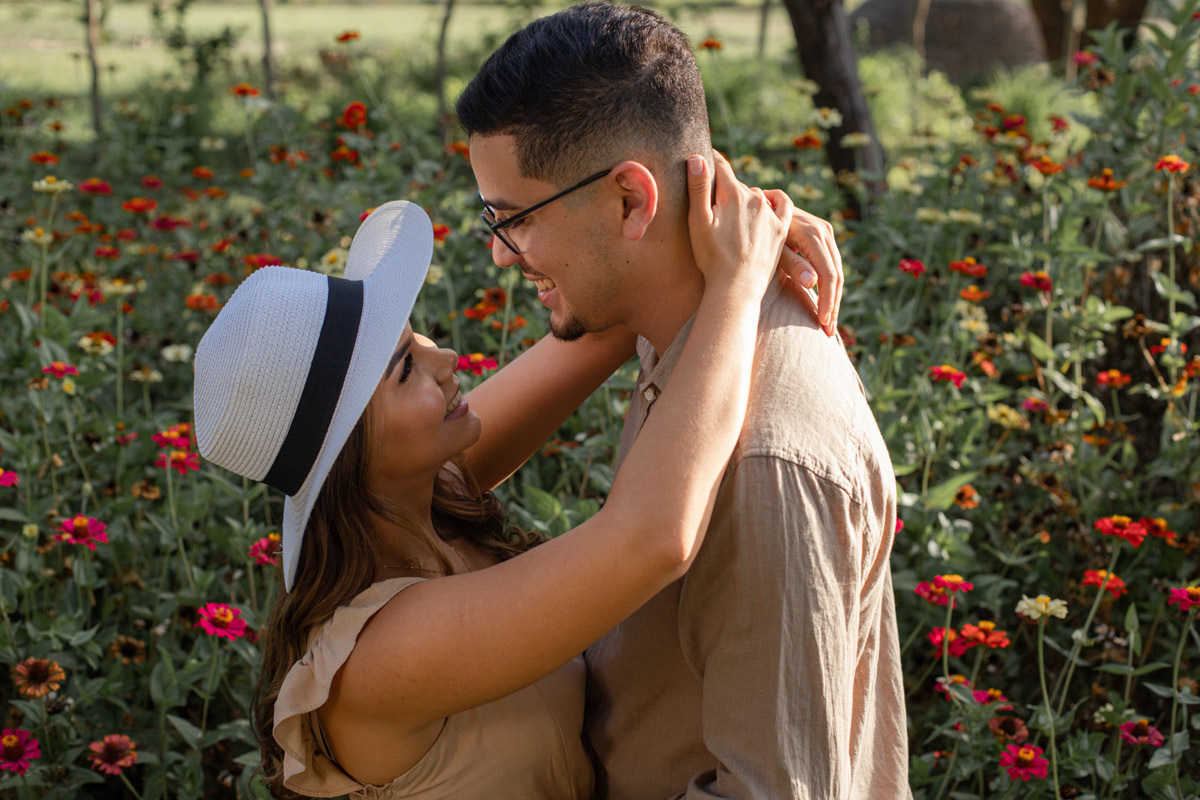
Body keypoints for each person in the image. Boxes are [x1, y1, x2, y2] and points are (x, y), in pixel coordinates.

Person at [193, 157, 818, 798]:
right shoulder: (382, 653)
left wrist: (759, 225)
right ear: (352, 451)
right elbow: (654, 536)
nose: (446, 358)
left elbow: (613, 309)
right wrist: (737, 286)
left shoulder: (425, 494)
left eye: (418, 338)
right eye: (405, 368)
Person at [456, 3, 911, 798]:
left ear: (631, 203)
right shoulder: (682, 328)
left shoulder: (765, 460)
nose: (500, 252)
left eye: (514, 218)